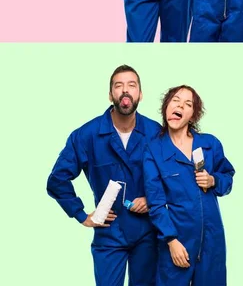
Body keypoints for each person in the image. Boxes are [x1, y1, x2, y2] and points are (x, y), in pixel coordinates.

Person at [47, 65, 161, 286]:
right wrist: (81, 215)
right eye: (118, 86)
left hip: (148, 231)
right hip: (109, 232)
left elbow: (171, 177)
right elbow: (57, 179)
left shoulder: (155, 133)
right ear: (111, 95)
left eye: (132, 85)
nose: (125, 91)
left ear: (140, 94)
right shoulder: (87, 135)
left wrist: (152, 200)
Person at [143, 85, 235, 285]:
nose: (180, 106)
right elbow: (156, 202)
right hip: (178, 240)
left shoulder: (210, 144)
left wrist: (214, 180)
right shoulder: (153, 150)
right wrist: (171, 240)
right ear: (166, 107)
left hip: (212, 241)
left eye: (187, 104)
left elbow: (227, 176)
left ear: (193, 115)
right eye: (175, 100)